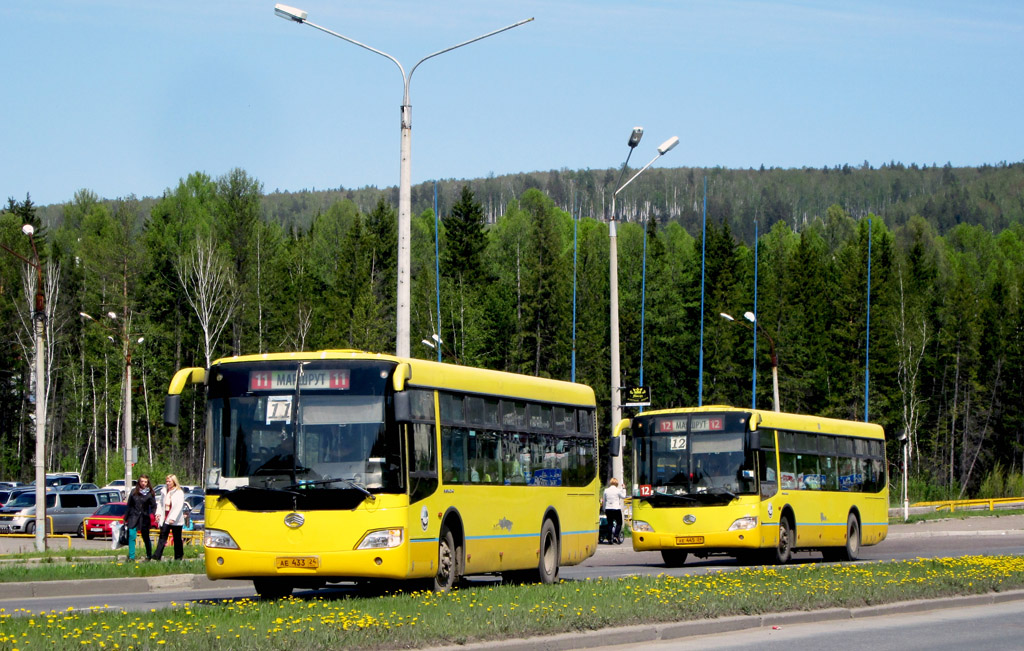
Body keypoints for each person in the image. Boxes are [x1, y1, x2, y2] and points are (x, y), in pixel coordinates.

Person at [123, 474, 156, 562]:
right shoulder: (134, 492)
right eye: (142, 481)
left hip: (144, 518)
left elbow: (154, 506)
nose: (143, 483)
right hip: (133, 517)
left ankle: (149, 555)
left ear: (148, 483)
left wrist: (153, 515)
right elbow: (129, 505)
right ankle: (131, 557)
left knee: (145, 537)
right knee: (131, 535)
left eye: (145, 482)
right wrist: (125, 518)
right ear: (139, 482)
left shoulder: (150, 493)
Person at [153, 474, 186, 561]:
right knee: (162, 537)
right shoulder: (164, 491)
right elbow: (160, 503)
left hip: (176, 519)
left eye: (169, 481)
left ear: (174, 482)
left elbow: (179, 506)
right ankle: (157, 556)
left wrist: (173, 518)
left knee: (177, 538)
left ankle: (178, 557)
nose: (167, 483)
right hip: (165, 517)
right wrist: (158, 514)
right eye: (166, 481)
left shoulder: (179, 492)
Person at [602, 477, 627, 545]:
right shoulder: (618, 490)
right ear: (616, 483)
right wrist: (624, 488)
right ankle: (615, 536)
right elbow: (624, 496)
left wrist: (604, 509)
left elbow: (604, 500)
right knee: (619, 523)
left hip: (608, 509)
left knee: (610, 523)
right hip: (616, 508)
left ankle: (609, 538)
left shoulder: (606, 490)